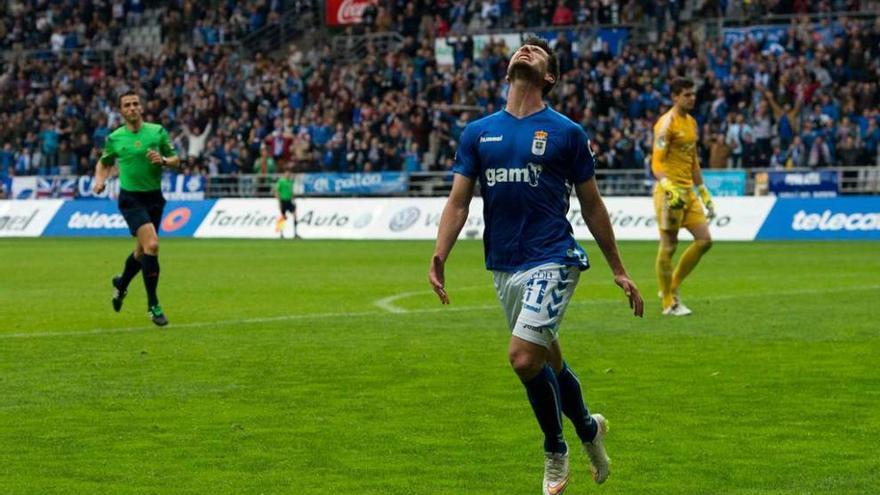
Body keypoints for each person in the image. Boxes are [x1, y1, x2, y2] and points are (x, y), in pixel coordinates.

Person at [429, 37, 644, 495]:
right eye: (520, 48)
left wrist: (618, 268)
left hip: (554, 257)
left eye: (537, 50)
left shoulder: (566, 132)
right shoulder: (477, 132)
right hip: (505, 264)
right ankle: (589, 429)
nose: (525, 50)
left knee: (522, 357)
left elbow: (592, 206)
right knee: (550, 361)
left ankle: (555, 448)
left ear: (550, 76)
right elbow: (458, 202)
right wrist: (440, 254)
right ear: (507, 70)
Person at [93, 91, 179, 326]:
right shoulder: (115, 138)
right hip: (131, 198)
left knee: (142, 252)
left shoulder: (157, 131)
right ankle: (153, 305)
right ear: (121, 111)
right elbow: (104, 162)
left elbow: (175, 160)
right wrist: (99, 181)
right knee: (152, 244)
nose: (132, 108)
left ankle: (121, 284)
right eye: (127, 105)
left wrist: (162, 160)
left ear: (141, 108)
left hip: (154, 197)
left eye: (135, 104)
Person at [652, 78, 714, 316]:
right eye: (687, 95)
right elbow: (656, 161)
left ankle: (672, 285)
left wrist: (703, 191)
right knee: (669, 247)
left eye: (693, 94)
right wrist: (667, 185)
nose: (692, 98)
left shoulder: (692, 123)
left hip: (688, 191)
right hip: (670, 192)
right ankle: (669, 302)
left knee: (705, 240)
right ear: (675, 97)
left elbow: (693, 160)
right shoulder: (665, 124)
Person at [274, 168, 298, 239]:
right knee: (283, 217)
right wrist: (279, 201)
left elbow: (291, 192)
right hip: (283, 201)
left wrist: (294, 200)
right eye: (287, 173)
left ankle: (295, 233)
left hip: (289, 201)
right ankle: (281, 234)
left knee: (295, 215)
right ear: (284, 174)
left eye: (289, 173)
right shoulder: (281, 181)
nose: (288, 175)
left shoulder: (290, 182)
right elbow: (277, 191)